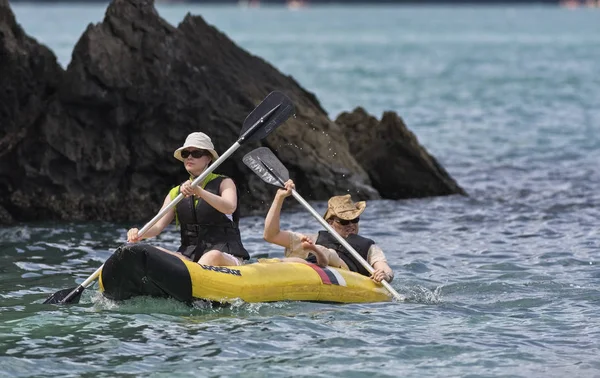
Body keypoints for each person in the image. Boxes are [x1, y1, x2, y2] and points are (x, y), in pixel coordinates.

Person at [126, 132, 249, 266]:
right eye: (186, 154)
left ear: (208, 158)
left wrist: (200, 192)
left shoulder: (225, 183)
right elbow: (157, 227)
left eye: (196, 153)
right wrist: (139, 233)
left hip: (225, 255)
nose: (190, 157)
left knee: (212, 256)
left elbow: (229, 207)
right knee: (152, 252)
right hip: (190, 257)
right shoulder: (176, 193)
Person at [263, 180, 394, 283]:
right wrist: (279, 198)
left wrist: (384, 275)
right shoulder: (311, 239)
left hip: (346, 271)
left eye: (355, 220)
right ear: (330, 223)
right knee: (300, 260)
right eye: (343, 221)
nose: (351, 225)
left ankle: (318, 252)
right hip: (315, 267)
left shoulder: (369, 247)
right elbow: (271, 235)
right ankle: (274, 264)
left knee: (326, 252)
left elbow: (385, 268)